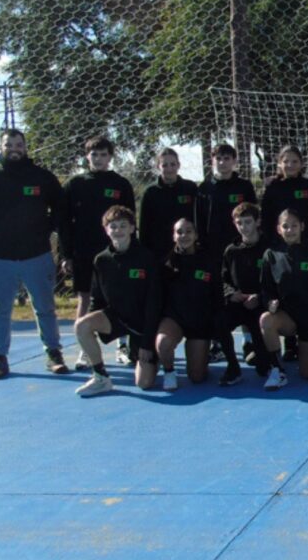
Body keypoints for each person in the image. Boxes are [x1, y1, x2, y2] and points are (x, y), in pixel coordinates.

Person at [0, 128, 67, 379]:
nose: (14, 149)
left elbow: (61, 207)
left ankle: (53, 353)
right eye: (9, 144)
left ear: (25, 147)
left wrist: (45, 229)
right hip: (0, 258)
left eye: (18, 144)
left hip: (37, 255)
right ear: (1, 147)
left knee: (45, 308)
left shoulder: (41, 177)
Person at [59, 136, 137, 369]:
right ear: (87, 156)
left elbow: (131, 220)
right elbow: (64, 223)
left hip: (114, 253)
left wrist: (131, 250)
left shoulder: (120, 184)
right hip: (83, 253)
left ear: (110, 157)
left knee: (119, 297)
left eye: (103, 154)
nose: (99, 159)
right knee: (85, 298)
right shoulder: (74, 185)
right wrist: (66, 255)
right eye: (94, 154)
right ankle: (86, 349)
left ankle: (123, 346)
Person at [73, 206, 161, 396]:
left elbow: (154, 304)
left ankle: (152, 356)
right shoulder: (101, 260)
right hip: (117, 319)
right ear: (106, 230)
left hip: (142, 325)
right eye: (113, 227)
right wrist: (92, 327)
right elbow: (97, 299)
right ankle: (101, 377)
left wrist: (147, 342)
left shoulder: (146, 257)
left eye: (123, 226)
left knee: (144, 383)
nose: (118, 230)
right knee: (82, 325)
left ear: (132, 229)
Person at [154, 218, 231, 390]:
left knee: (197, 377)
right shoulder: (165, 263)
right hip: (174, 319)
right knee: (163, 343)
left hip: (199, 323)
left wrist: (215, 325)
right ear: (173, 236)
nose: (184, 235)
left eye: (189, 231)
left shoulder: (209, 261)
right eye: (179, 232)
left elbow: (218, 295)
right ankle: (169, 371)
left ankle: (200, 358)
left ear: (196, 235)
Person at [258, 209, 308, 390]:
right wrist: (270, 302)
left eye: (294, 226)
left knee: (307, 374)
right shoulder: (271, 255)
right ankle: (277, 370)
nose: (290, 230)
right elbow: (265, 288)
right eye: (285, 226)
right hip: (287, 318)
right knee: (266, 319)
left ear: (302, 227)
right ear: (278, 229)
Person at [219, 202, 270, 385]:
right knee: (219, 322)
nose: (244, 227)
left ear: (257, 222)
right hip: (239, 305)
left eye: (248, 222)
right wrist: (231, 294)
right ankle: (233, 367)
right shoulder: (231, 251)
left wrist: (260, 296)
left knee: (263, 370)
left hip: (261, 307)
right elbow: (223, 279)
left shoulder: (269, 248)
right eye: (239, 223)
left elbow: (278, 280)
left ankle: (265, 354)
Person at [197, 143, 258, 262]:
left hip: (241, 244)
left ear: (234, 161)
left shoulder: (244, 186)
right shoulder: (204, 188)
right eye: (218, 159)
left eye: (226, 158)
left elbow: (254, 215)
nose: (222, 162)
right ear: (213, 161)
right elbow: (199, 220)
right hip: (213, 248)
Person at [138, 147, 198, 261]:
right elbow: (144, 227)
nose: (169, 168)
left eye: (173, 164)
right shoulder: (150, 192)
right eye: (165, 165)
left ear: (178, 165)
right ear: (158, 167)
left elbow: (198, 218)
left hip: (187, 248)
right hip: (159, 251)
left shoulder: (190, 188)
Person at [260, 145, 308, 246]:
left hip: (307, 241)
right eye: (286, 161)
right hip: (279, 243)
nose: (290, 165)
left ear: (301, 163)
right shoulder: (272, 187)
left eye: (295, 161)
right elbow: (266, 218)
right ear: (279, 163)